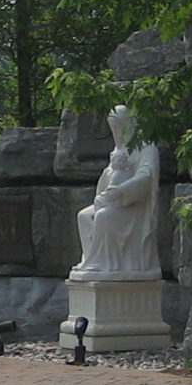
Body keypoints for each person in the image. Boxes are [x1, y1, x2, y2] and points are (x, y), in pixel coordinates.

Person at [72, 106, 164, 278]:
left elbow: (147, 176)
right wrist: (111, 176)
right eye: (113, 128)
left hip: (135, 207)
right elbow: (108, 178)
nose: (116, 132)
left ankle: (107, 266)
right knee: (84, 216)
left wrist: (122, 190)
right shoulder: (118, 150)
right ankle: (92, 261)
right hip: (115, 200)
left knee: (104, 217)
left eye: (119, 127)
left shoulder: (146, 147)